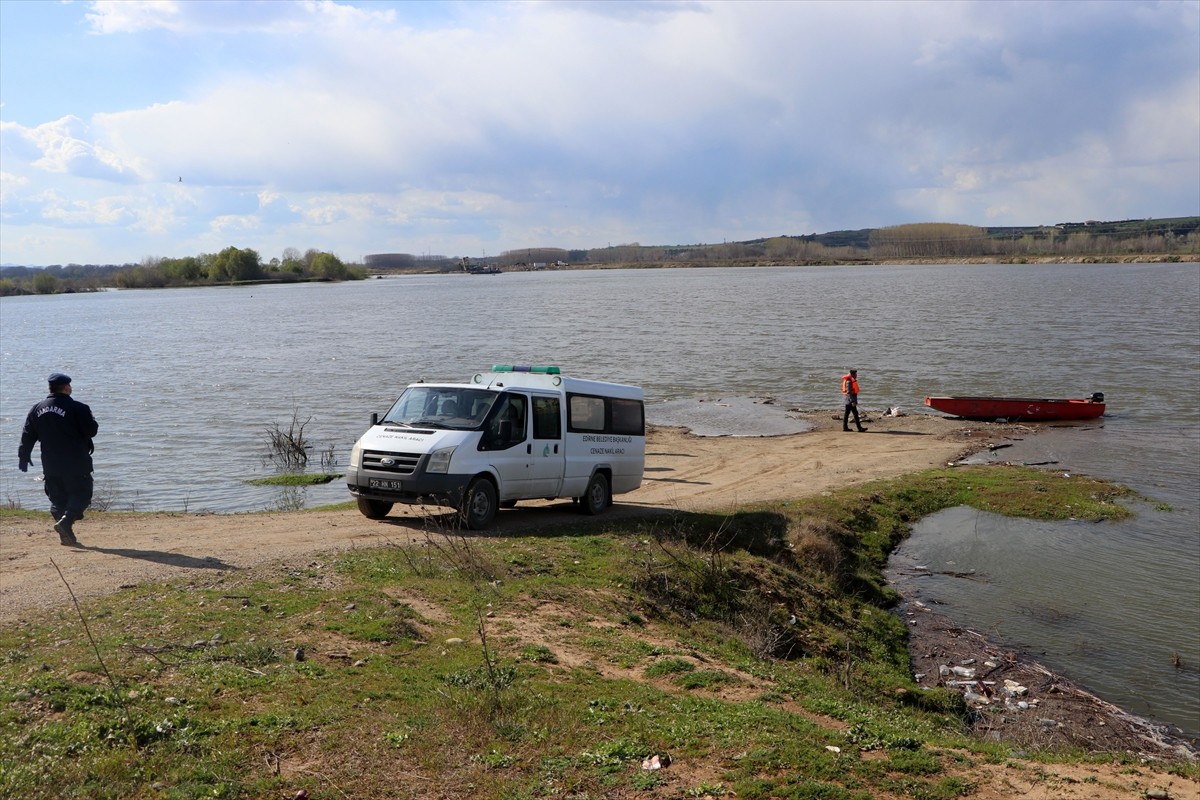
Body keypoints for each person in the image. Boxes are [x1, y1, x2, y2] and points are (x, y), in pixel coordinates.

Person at [18, 373, 98, 546]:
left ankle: (66, 534)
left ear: (50, 388)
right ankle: (66, 521)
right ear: (67, 388)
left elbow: (27, 435)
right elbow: (91, 430)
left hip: (51, 464)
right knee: (81, 493)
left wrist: (23, 456)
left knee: (57, 498)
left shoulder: (36, 409)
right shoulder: (79, 408)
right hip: (76, 463)